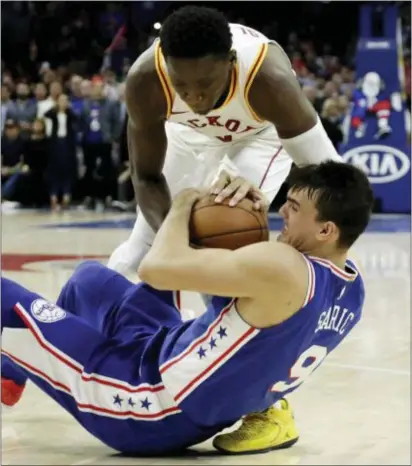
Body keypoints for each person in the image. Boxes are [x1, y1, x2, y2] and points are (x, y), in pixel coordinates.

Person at [1, 161, 373, 455]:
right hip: (178, 378)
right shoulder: (352, 289)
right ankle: (12, 372)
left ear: (326, 231)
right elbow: (250, 324)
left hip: (140, 404)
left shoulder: (286, 267)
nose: (283, 213)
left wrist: (185, 201)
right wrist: (236, 218)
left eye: (293, 208)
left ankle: (35, 363)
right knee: (90, 281)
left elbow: (156, 269)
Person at [107, 5, 342, 276]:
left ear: (231, 61)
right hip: (188, 135)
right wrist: (175, 240)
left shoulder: (268, 80)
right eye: (181, 85)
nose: (194, 97)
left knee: (225, 244)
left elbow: (331, 176)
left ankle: (230, 316)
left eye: (205, 84)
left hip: (259, 137)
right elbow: (146, 176)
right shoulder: (146, 80)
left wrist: (291, 210)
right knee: (138, 256)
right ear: (164, 63)